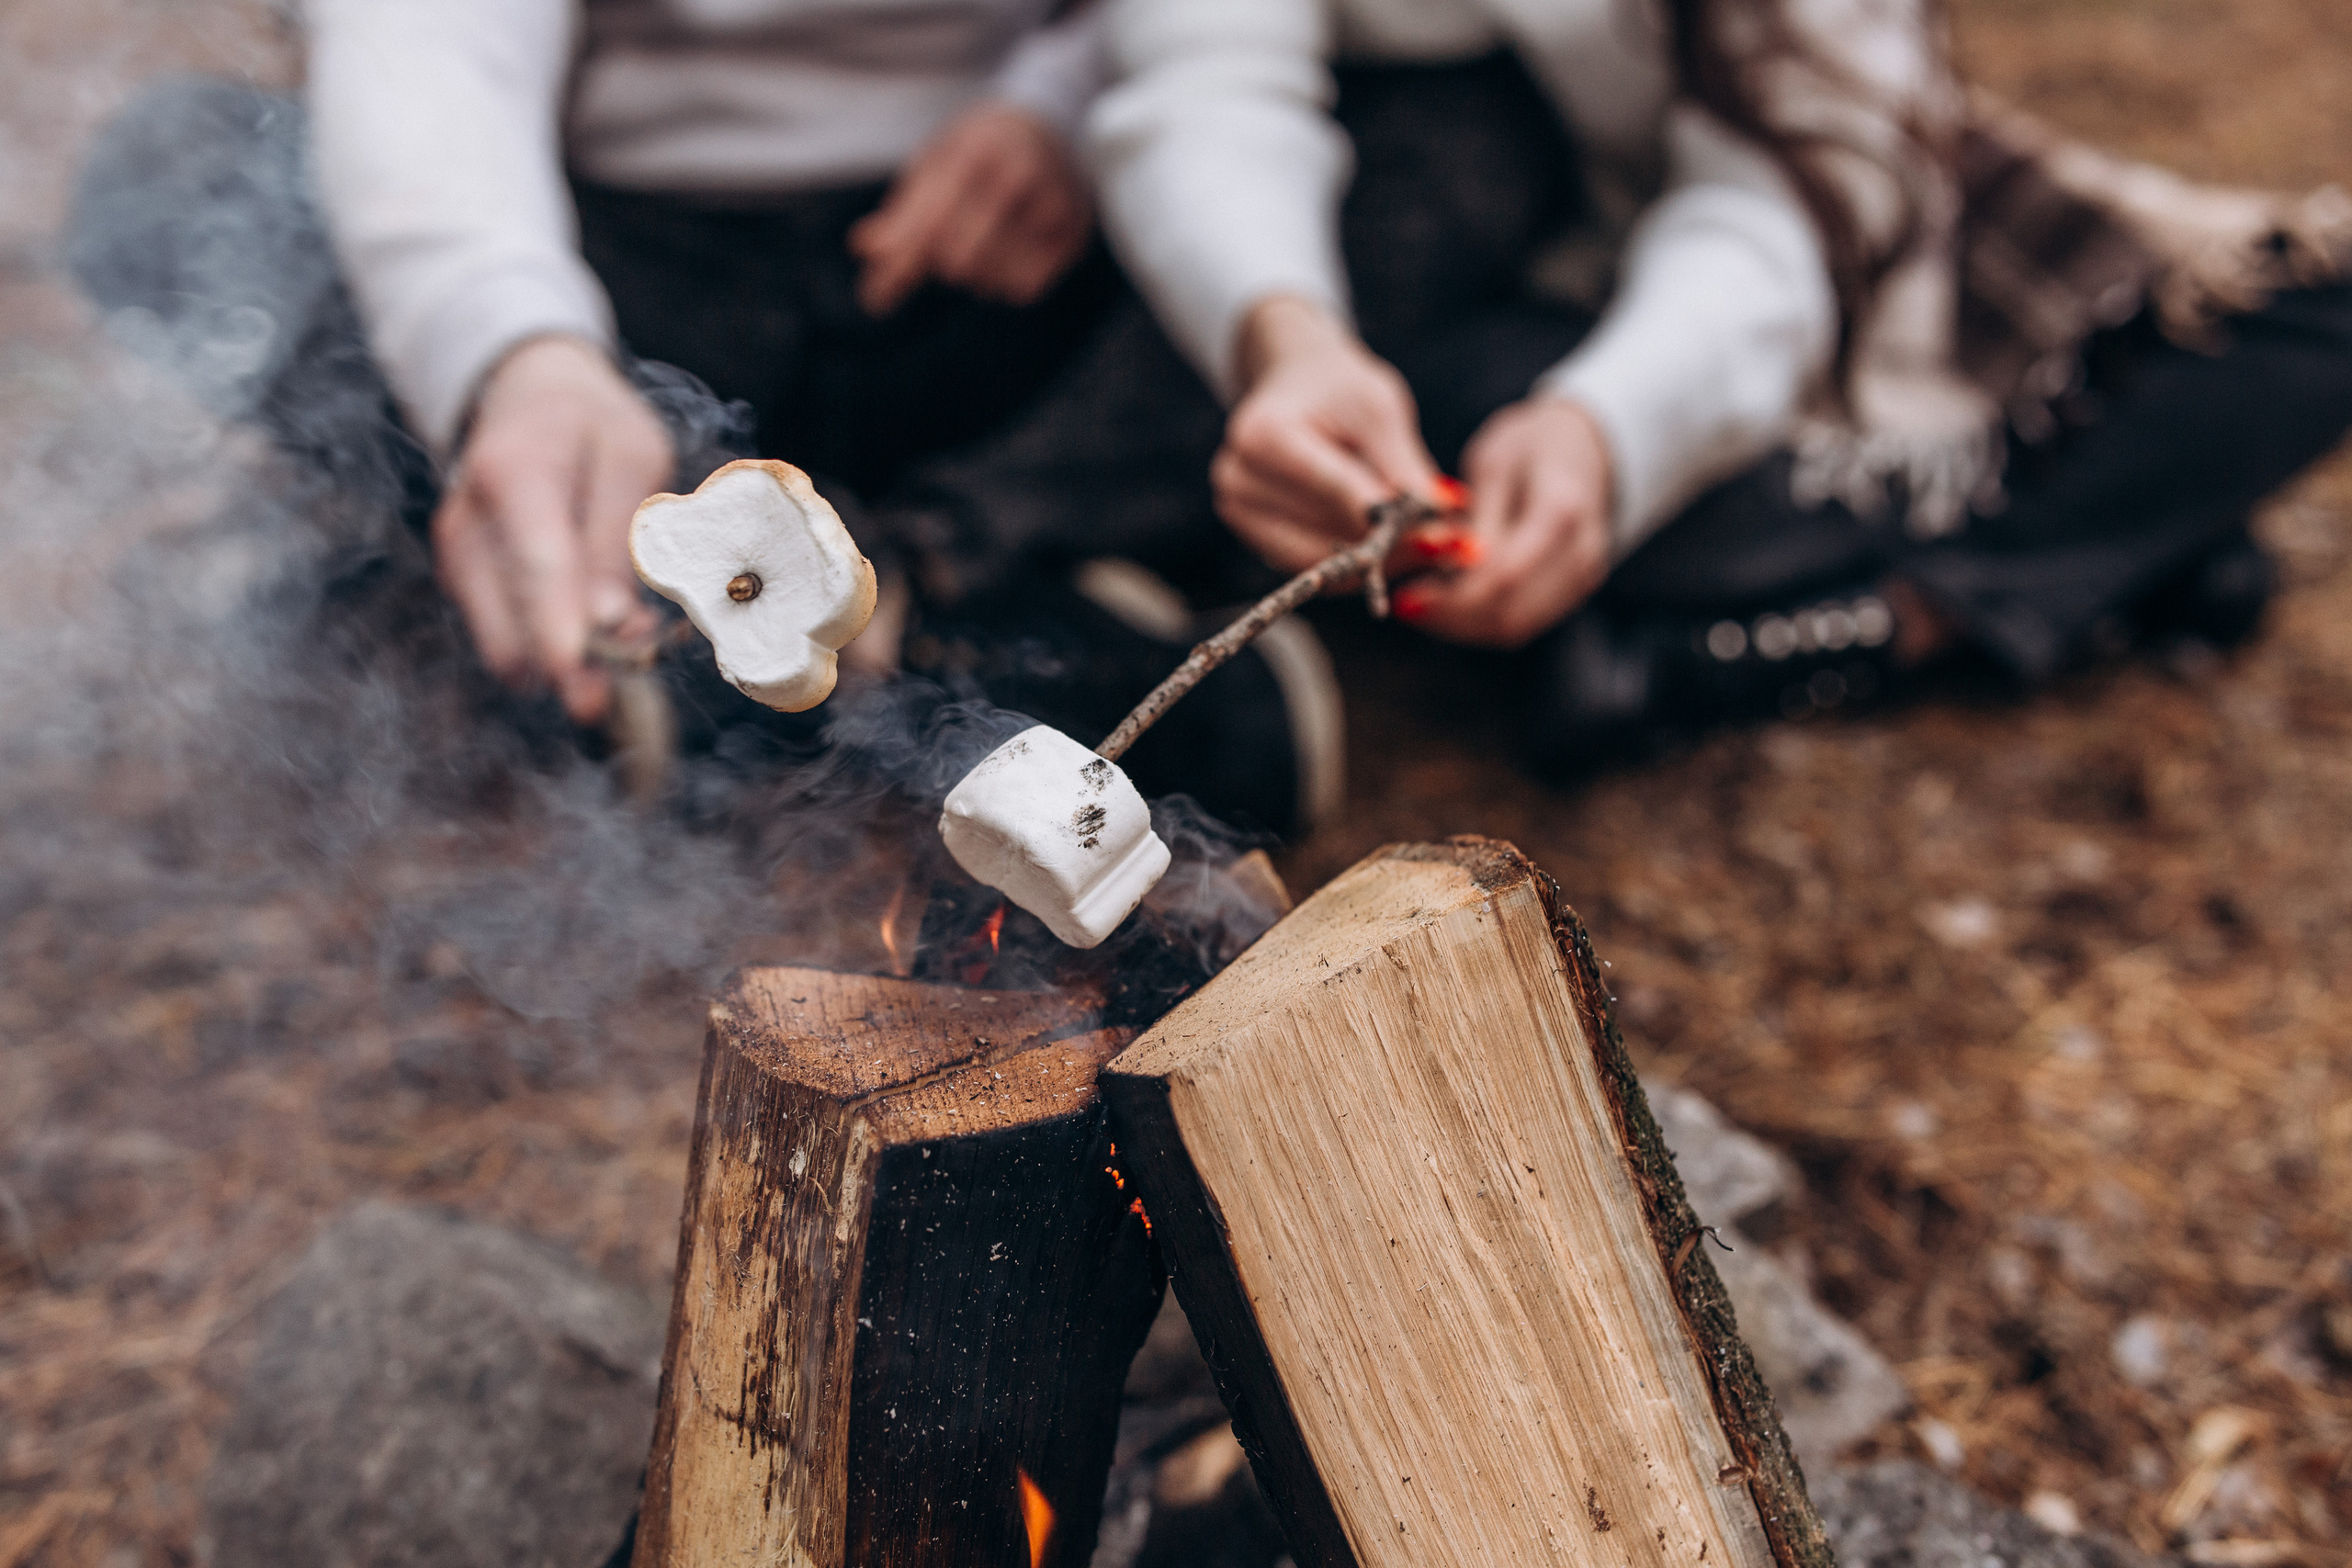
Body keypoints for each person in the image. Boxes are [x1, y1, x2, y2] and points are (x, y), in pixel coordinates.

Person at [65, 1, 1334, 836]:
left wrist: (1064, 103)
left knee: (1422, 129)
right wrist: (519, 353)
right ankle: (960, 641)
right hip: (630, 272)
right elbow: (427, 50)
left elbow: (1224, 52)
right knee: (177, 175)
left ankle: (852, 607)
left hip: (1007, 269)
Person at [1080, 0, 2352, 771]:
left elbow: (1799, 203)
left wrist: (1611, 426)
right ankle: (2073, 565)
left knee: (2311, 312)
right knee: (2196, 541)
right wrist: (1284, 340)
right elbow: (1207, 82)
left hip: (1765, 294)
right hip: (1484, 296)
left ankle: (1873, 620)